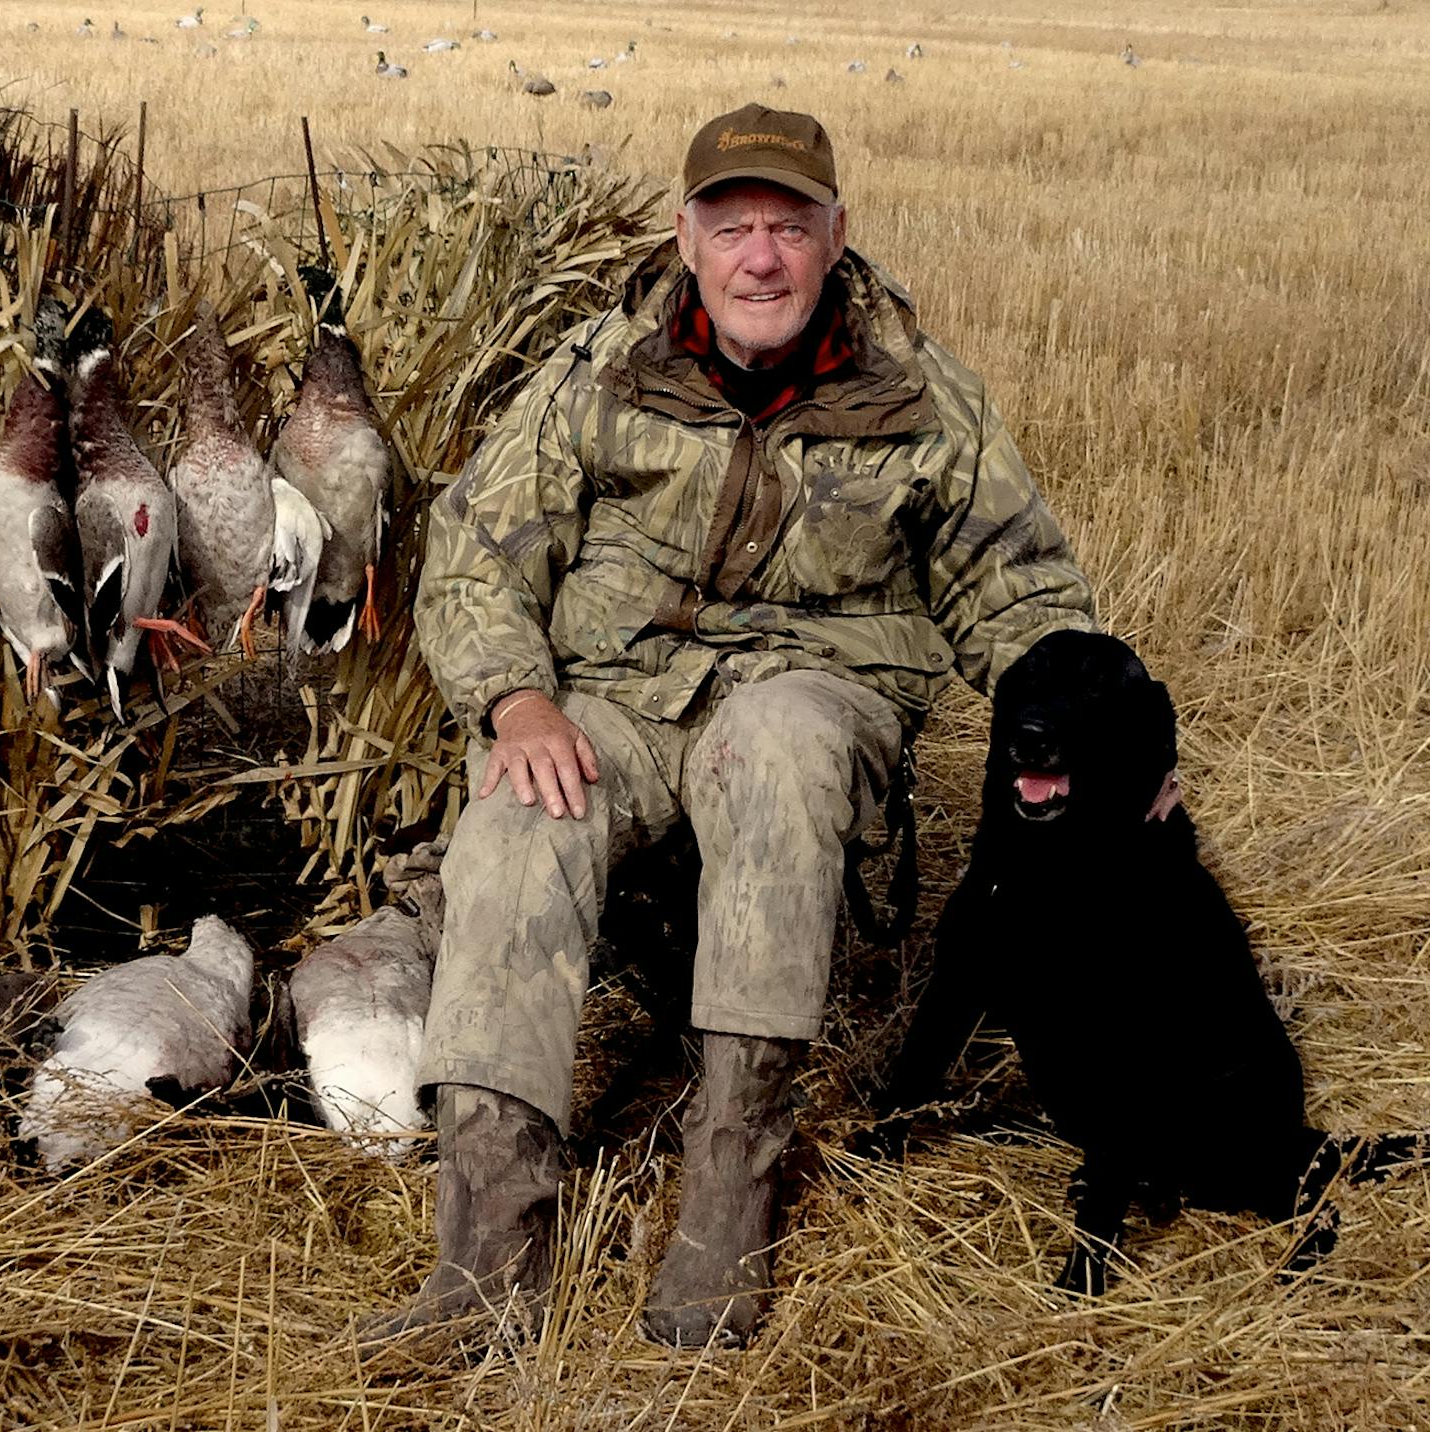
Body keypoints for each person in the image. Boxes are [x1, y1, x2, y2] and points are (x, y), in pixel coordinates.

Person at [380, 102, 1097, 1349]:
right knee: (515, 811)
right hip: (618, 697)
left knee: (775, 747)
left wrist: (1105, 734)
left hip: (814, 688)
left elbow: (1019, 589)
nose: (759, 257)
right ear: (686, 236)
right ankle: (485, 1260)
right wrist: (519, 698)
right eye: (733, 226)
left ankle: (729, 1199)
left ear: (835, 238)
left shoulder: (921, 400)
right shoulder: (599, 373)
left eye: (787, 226)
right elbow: (476, 551)